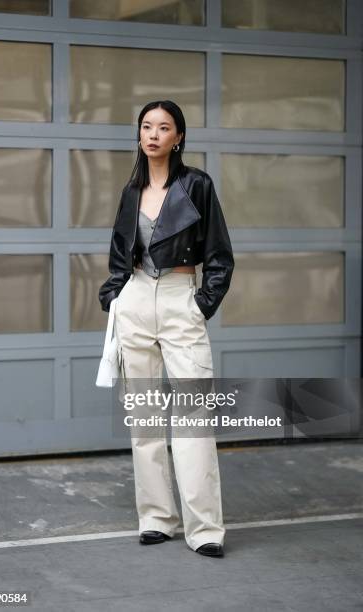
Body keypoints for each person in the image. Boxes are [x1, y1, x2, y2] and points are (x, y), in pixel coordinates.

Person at [99, 100, 234, 557]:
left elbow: (219, 254)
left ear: (179, 137)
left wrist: (201, 304)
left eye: (164, 127)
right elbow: (120, 250)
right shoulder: (130, 190)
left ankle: (205, 530)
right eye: (146, 126)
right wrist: (114, 294)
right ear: (139, 135)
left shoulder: (196, 185)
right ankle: (156, 518)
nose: (153, 134)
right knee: (145, 418)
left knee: (194, 419)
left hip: (180, 299)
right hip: (136, 301)